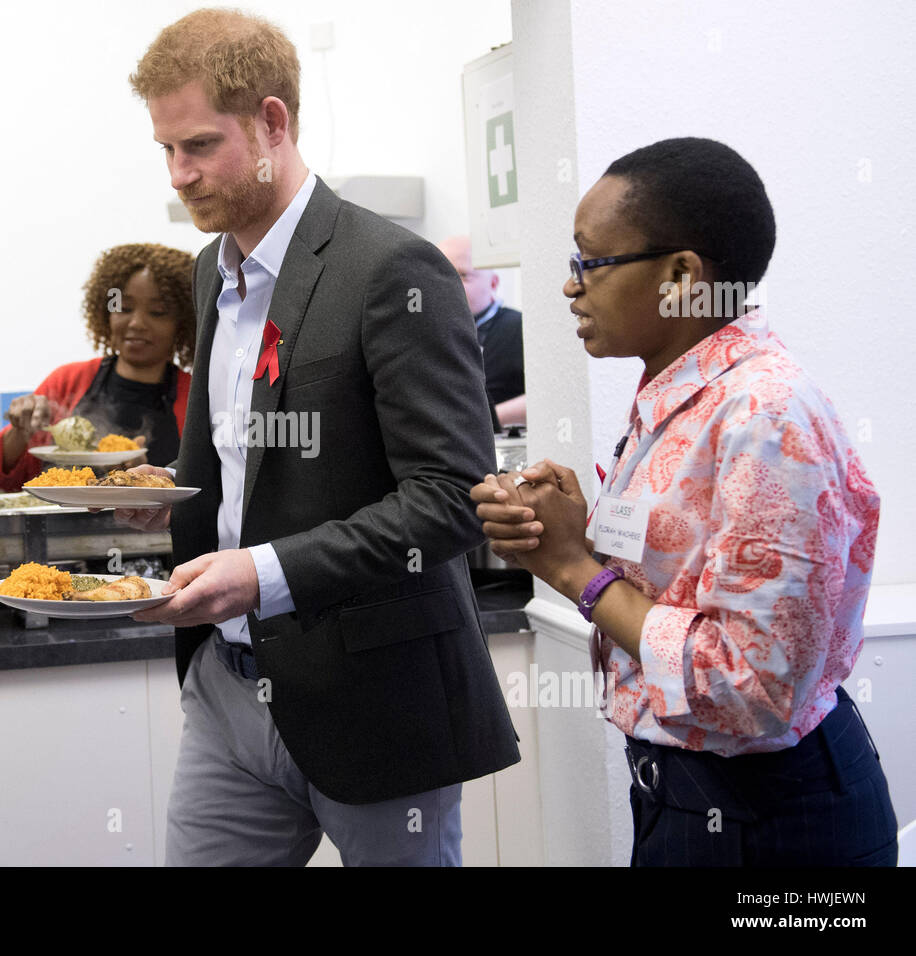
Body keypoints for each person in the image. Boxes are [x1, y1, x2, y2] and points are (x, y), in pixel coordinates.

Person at [122, 8, 518, 866]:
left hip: (373, 694)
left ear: (273, 121)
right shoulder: (207, 270)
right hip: (227, 688)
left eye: (197, 145)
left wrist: (261, 575)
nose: (179, 175)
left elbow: (451, 498)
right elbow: (251, 457)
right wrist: (176, 496)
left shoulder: (390, 270)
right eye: (165, 152)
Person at [472, 137, 897, 866]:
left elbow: (755, 685)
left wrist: (575, 569)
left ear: (680, 275)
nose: (571, 287)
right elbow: (686, 589)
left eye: (590, 262)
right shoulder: (683, 398)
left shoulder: (763, 417)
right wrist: (571, 534)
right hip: (690, 801)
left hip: (768, 823)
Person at [0, 243, 196, 492]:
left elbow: (210, 484)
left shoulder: (197, 395)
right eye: (123, 308)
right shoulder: (67, 381)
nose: (137, 323)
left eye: (158, 312)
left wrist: (148, 478)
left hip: (155, 532)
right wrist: (19, 432)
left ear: (183, 321)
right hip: (61, 529)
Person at [437, 235, 525, 427]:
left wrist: (488, 419)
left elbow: (547, 396)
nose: (449, 285)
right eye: (441, 275)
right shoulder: (425, 332)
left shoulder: (518, 328)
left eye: (462, 275)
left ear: (493, 283)